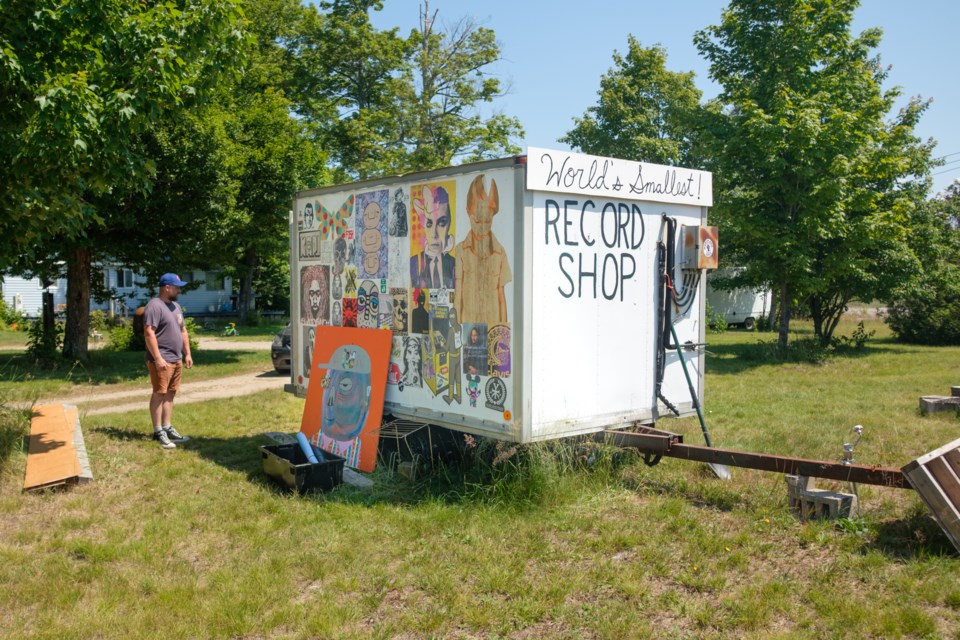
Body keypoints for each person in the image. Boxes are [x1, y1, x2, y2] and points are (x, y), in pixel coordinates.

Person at [144, 273, 193, 449]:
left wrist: (187, 353)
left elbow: (183, 330)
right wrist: (157, 358)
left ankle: (167, 426)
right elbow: (149, 332)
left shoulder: (176, 306)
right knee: (159, 393)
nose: (179, 290)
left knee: (171, 393)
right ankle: (158, 431)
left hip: (176, 358)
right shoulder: (154, 306)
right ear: (167, 288)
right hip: (162, 360)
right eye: (177, 287)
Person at [410, 185, 455, 289]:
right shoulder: (414, 263)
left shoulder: (455, 265)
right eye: (429, 224)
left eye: (442, 222)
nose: (434, 234)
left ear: (449, 224)